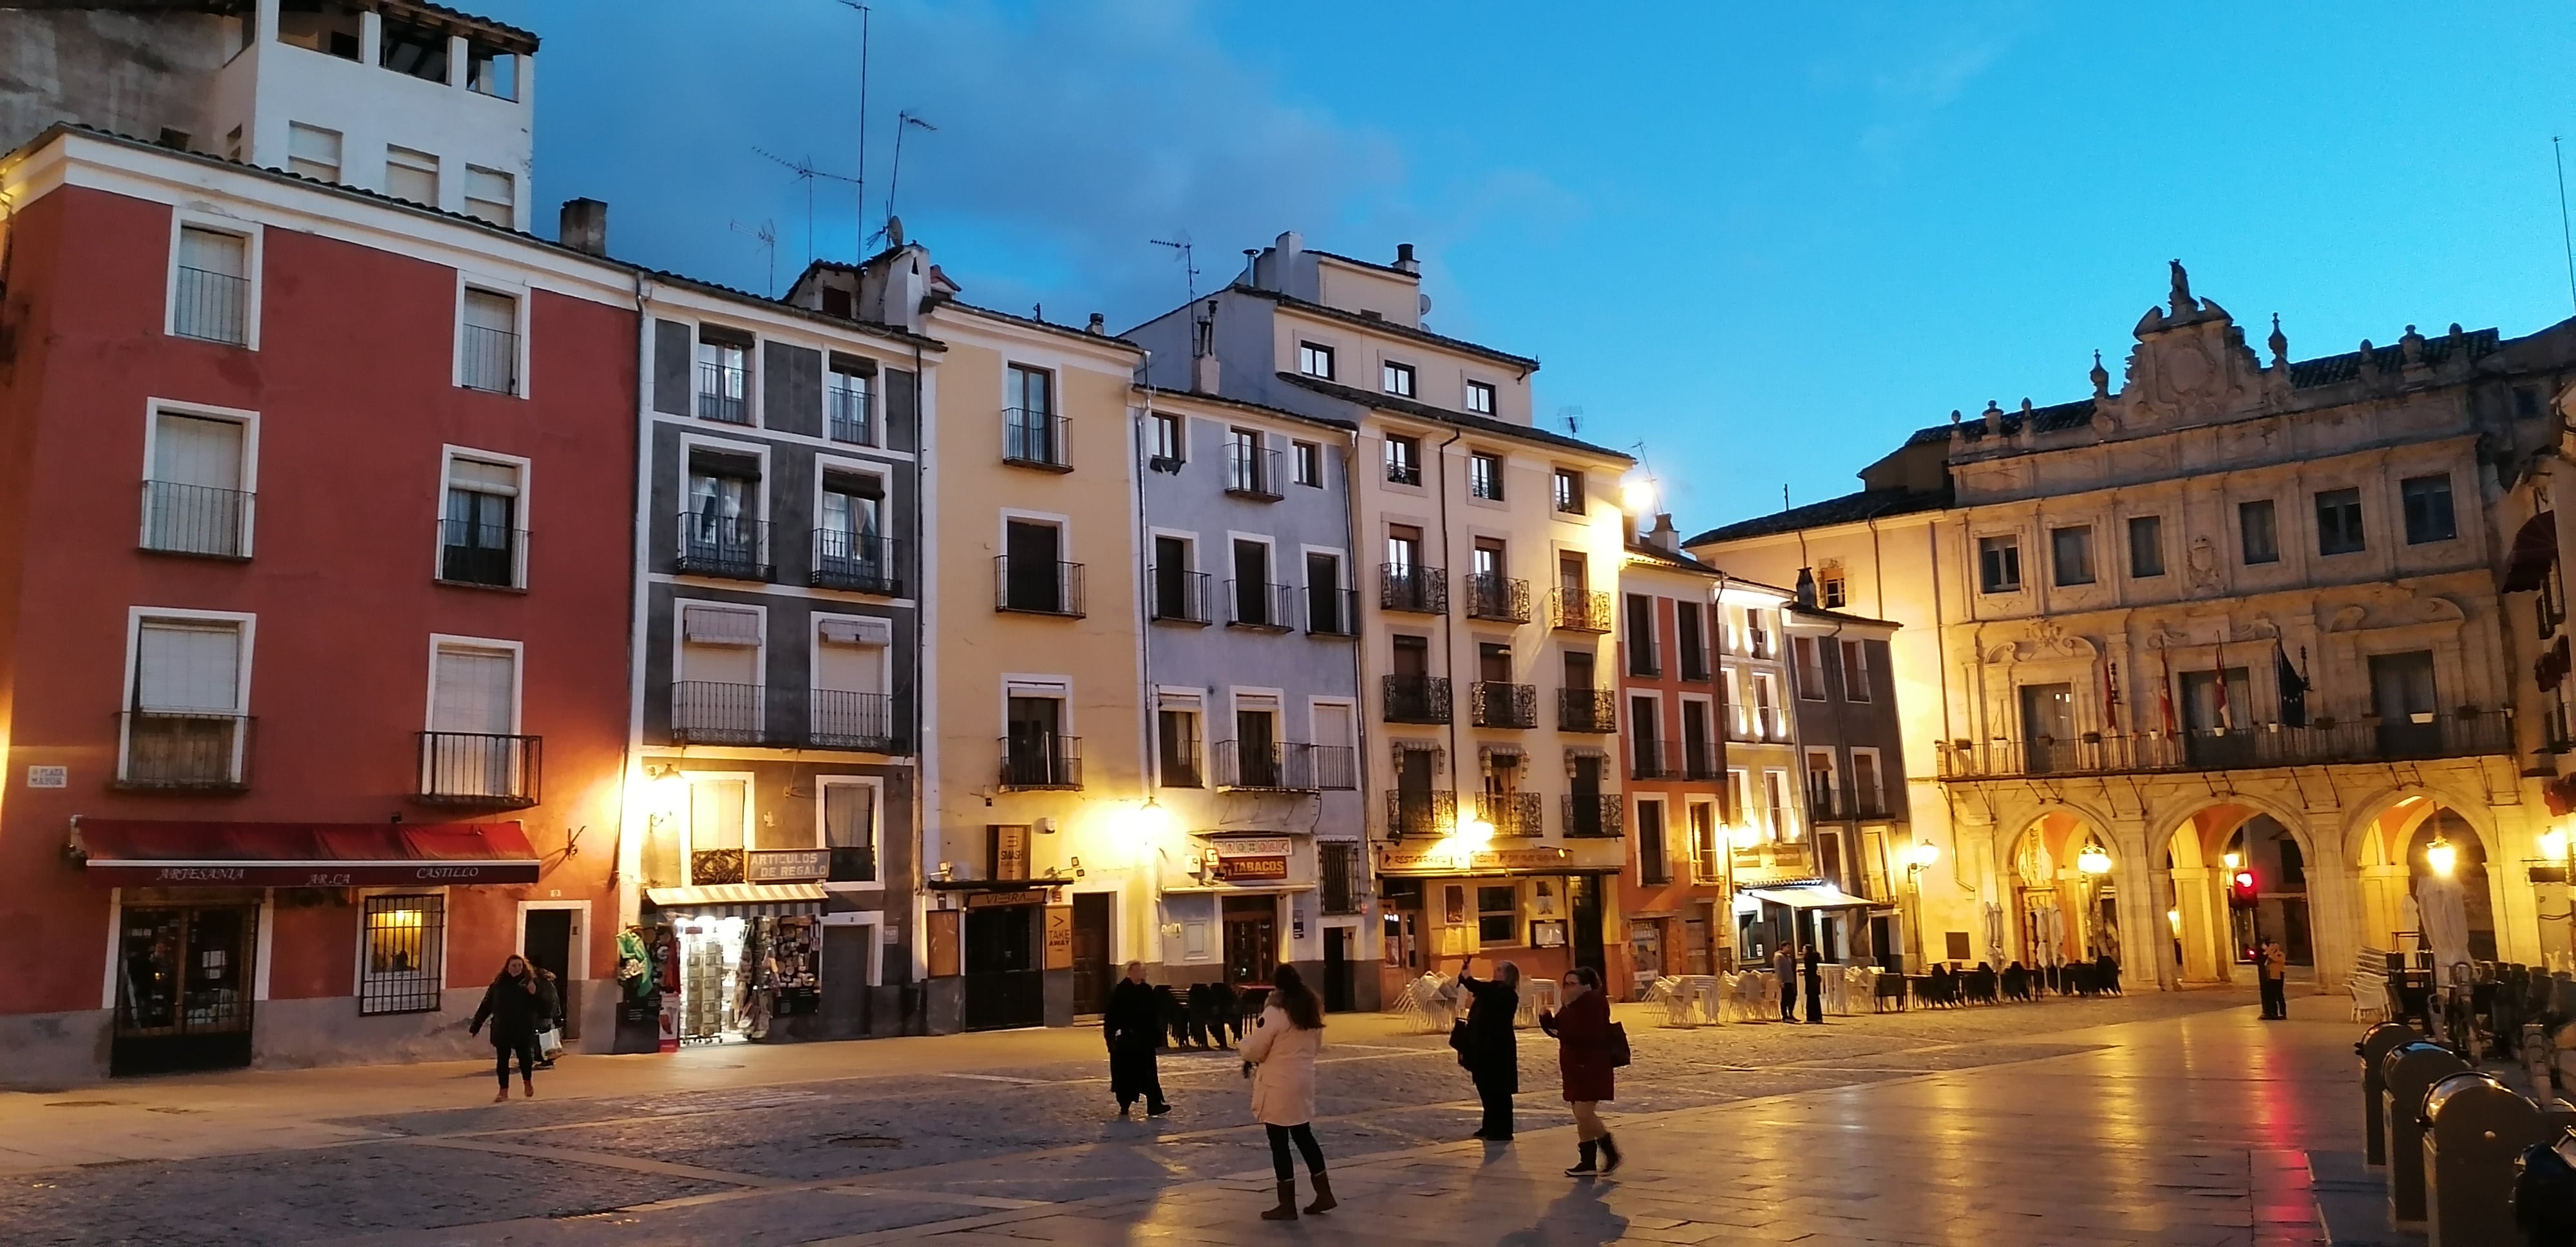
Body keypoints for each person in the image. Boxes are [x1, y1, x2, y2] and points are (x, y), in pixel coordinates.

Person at [1242, 964, 1333, 1220]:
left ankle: (1287, 1204)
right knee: (1304, 1135)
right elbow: (1316, 1046)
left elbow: (1256, 1048)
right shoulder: (1310, 1009)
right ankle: (1324, 1193)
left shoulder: (1276, 1011)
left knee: (1279, 1142)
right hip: (1303, 1079)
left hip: (1279, 1082)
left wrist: (1243, 1047)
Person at [1539, 965, 1622, 1177]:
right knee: (1580, 1114)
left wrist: (1561, 1031)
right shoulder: (1571, 1004)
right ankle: (1587, 1161)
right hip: (1575, 1066)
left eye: (1572, 984)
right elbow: (1560, 1031)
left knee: (1584, 1112)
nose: (1566, 988)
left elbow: (1585, 1035)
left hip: (1591, 1065)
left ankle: (1610, 1151)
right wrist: (1546, 1021)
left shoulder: (1593, 1002)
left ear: (1586, 985)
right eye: (1565, 983)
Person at [1455, 957, 1520, 1141]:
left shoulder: (1507, 994)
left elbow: (1481, 989)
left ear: (1508, 975)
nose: (1495, 971)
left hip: (1498, 1048)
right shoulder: (1491, 989)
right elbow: (1481, 990)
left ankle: (1503, 1129)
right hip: (1482, 1046)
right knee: (1485, 1087)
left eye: (1500, 970)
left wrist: (1468, 979)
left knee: (1499, 1090)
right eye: (1497, 968)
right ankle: (1489, 1124)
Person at [468, 954, 545, 1102]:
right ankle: (503, 1091)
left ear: (523, 968)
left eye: (519, 966)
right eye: (513, 966)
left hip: (523, 1027)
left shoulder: (530, 984)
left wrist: (534, 994)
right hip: (503, 1027)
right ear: (507, 968)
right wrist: (476, 1025)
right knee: (502, 1060)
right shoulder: (498, 985)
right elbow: (487, 1005)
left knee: (525, 1058)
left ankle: (527, 1082)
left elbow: (543, 1005)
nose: (517, 968)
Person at [1103, 962, 1170, 1116]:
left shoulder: (1147, 990)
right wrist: (1111, 1038)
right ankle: (1124, 1105)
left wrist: (1156, 1035)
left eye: (1144, 971)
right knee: (1125, 1076)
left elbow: (1154, 1014)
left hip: (1145, 1041)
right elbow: (1112, 1016)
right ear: (1131, 972)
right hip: (1127, 1043)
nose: (1143, 973)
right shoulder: (1121, 991)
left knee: (1149, 1075)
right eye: (1140, 971)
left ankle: (1154, 1105)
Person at [2257, 939, 2289, 1020]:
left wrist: (2268, 951)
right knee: (2272, 996)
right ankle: (2273, 1012)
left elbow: (2276, 959)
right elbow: (2263, 958)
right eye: (2271, 946)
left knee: (2279, 995)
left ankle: (2283, 1013)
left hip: (2278, 976)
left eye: (2273, 946)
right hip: (2270, 977)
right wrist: (2267, 952)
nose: (2271, 947)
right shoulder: (2269, 954)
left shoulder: (2280, 955)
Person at [1774, 941, 1799, 1022]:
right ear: (1783, 947)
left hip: (1790, 979)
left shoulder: (1787, 957)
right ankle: (1785, 1016)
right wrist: (1781, 981)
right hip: (1785, 980)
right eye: (1788, 947)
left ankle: (1790, 1013)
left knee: (1793, 997)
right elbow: (1778, 970)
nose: (1789, 949)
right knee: (1785, 998)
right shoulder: (1779, 957)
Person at [1802, 944, 1825, 1023]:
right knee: (1815, 999)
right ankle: (1818, 1017)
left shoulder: (1808, 958)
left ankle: (1811, 1018)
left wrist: (1804, 972)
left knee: (1811, 999)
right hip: (1814, 979)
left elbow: (1809, 969)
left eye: (1804, 949)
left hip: (1810, 980)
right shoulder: (1815, 957)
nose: (1802, 951)